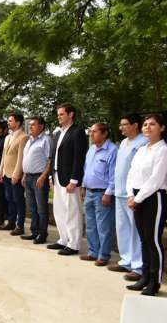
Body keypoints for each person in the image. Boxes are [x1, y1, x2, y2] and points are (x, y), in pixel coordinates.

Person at [125, 114, 167, 296]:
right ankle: (145, 276)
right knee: (143, 239)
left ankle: (154, 281)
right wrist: (130, 195)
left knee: (153, 240)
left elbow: (156, 180)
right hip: (136, 197)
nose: (148, 127)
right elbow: (131, 174)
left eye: (153, 124)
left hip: (153, 198)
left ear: (162, 128)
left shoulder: (163, 150)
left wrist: (138, 198)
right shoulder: (142, 149)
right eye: (145, 124)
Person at [108, 114, 147, 281]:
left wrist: (135, 194)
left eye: (124, 124)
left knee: (136, 230)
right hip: (119, 192)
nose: (121, 127)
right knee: (122, 228)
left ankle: (138, 266)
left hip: (133, 194)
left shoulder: (143, 142)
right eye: (120, 124)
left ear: (135, 125)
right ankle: (126, 260)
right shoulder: (123, 143)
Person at [48, 104, 88, 256]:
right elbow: (53, 156)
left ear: (71, 114)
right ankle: (63, 239)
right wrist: (51, 176)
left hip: (70, 179)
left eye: (61, 114)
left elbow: (79, 158)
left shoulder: (78, 132)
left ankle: (74, 244)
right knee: (59, 210)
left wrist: (74, 180)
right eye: (58, 114)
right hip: (57, 176)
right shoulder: (58, 133)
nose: (59, 116)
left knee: (72, 211)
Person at [80, 123, 118, 266]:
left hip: (102, 194)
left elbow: (114, 174)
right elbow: (86, 169)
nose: (91, 134)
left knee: (104, 227)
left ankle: (103, 255)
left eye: (94, 131)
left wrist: (109, 193)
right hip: (89, 192)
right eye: (91, 131)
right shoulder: (91, 149)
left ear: (104, 134)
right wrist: (83, 186)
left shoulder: (113, 150)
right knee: (90, 225)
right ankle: (93, 252)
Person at [20, 117, 51, 244]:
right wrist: (24, 175)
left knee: (41, 208)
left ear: (41, 126)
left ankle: (42, 234)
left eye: (33, 125)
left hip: (39, 178)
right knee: (32, 207)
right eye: (29, 125)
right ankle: (34, 232)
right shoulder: (29, 140)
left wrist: (43, 177)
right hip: (28, 177)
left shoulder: (46, 140)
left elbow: (50, 160)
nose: (30, 127)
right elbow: (27, 159)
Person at [0, 113, 29, 235]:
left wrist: (17, 174)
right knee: (9, 199)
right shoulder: (7, 137)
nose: (8, 122)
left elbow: (21, 158)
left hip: (15, 175)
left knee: (18, 200)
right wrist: (0, 171)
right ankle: (11, 222)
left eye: (11, 121)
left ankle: (19, 225)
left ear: (18, 122)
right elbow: (4, 156)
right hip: (6, 173)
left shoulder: (23, 137)